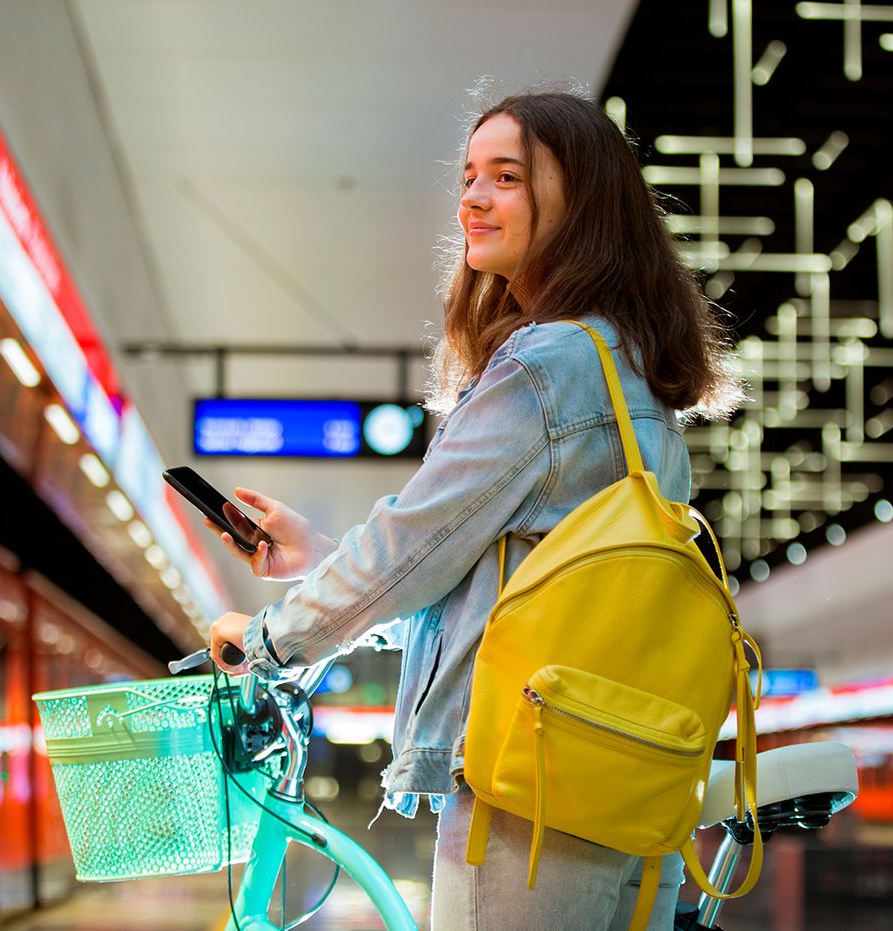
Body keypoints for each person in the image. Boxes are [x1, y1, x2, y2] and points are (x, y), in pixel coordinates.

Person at [206, 90, 739, 930]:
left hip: (533, 800)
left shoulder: (547, 362)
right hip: (630, 787)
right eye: (469, 177)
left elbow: (412, 545)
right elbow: (489, 581)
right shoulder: (630, 368)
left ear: (583, 202)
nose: (474, 199)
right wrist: (320, 557)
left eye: (508, 177)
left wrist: (271, 640)